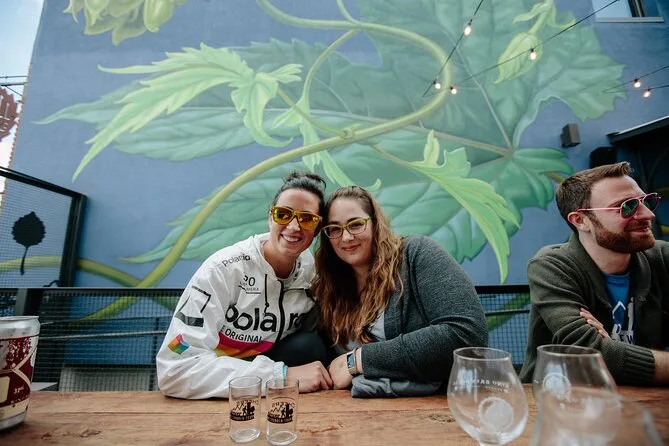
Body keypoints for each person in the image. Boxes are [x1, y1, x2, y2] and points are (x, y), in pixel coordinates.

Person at [156, 172, 333, 399]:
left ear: (317, 230)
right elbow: (174, 370)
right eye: (283, 214)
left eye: (307, 219)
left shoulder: (313, 274)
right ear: (270, 218)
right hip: (214, 375)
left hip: (266, 367)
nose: (293, 226)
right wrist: (280, 376)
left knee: (310, 346)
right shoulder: (222, 269)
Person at [312, 186, 488, 397]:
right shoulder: (328, 285)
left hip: (435, 405)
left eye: (356, 224)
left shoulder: (415, 254)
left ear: (376, 223)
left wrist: (359, 360)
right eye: (334, 229)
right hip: (349, 408)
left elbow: (467, 335)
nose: (347, 237)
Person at [520, 162, 669, 385]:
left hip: (648, 397)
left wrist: (611, 349)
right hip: (563, 395)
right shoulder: (552, 266)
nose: (647, 214)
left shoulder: (662, 258)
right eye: (626, 207)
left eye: (647, 201)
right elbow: (589, 351)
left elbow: (603, 354)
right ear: (581, 220)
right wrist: (602, 351)